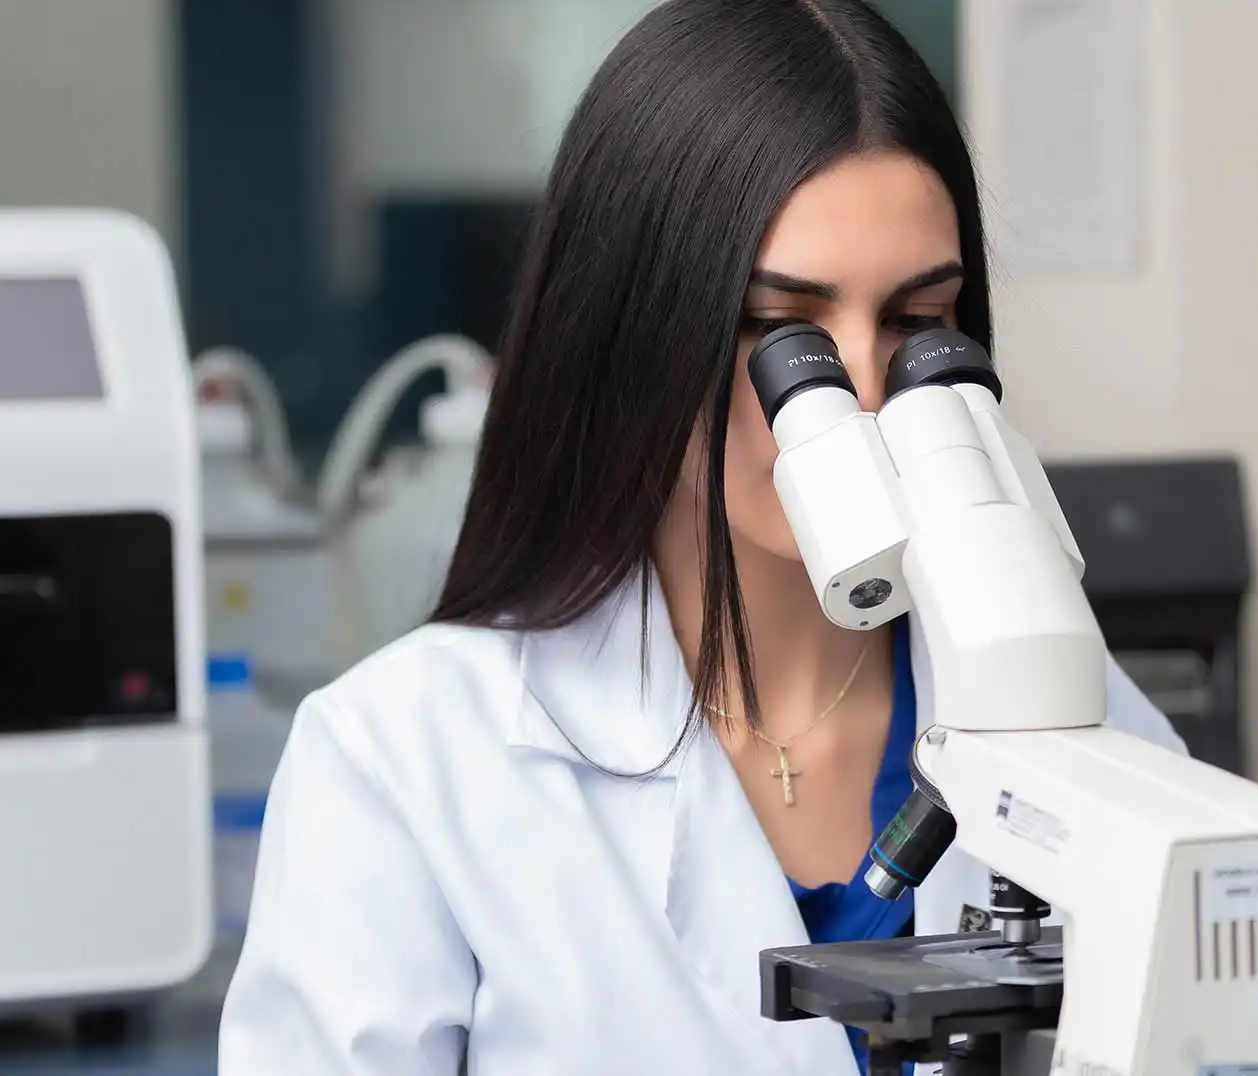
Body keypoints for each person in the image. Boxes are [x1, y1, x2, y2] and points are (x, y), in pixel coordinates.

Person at [217, 1, 1187, 1073]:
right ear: (633, 328)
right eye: (784, 332)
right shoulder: (405, 763)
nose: (860, 394)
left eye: (916, 325)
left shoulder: (1077, 722)